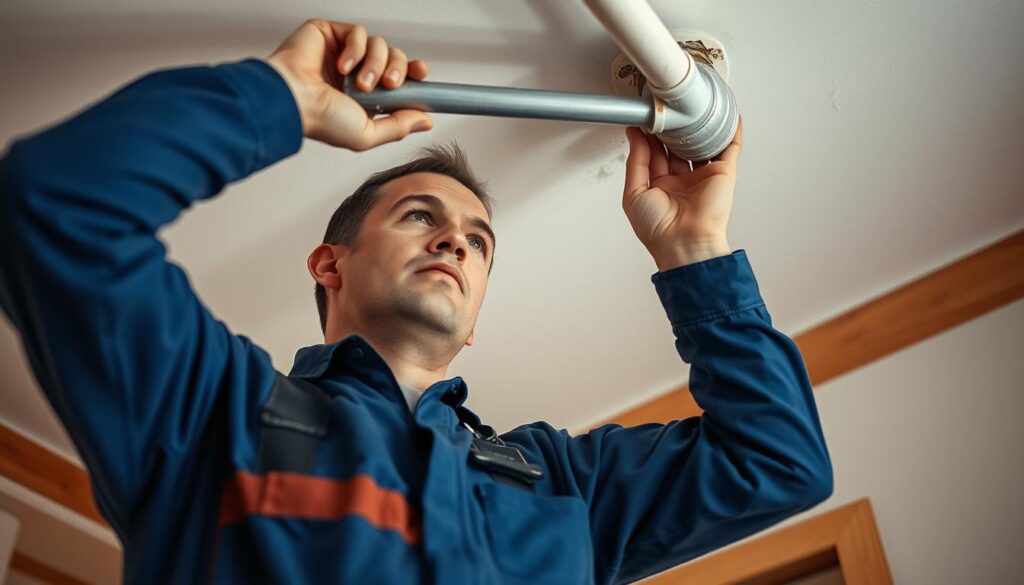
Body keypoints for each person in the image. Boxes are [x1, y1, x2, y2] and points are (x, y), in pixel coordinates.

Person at [0, 18, 833, 585]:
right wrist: (280, 97)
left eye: (478, 241)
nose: (456, 243)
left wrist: (693, 253)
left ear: (473, 326)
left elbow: (779, 464)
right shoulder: (215, 413)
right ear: (330, 263)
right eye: (420, 216)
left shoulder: (564, 482)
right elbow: (54, 202)